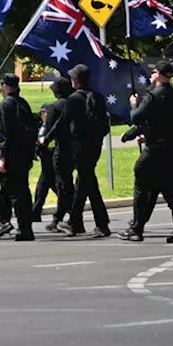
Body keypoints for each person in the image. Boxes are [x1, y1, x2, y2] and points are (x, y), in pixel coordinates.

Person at [119, 60, 173, 243]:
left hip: (155, 150)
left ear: (158, 74)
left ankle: (136, 229)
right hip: (172, 149)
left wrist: (133, 104)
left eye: (153, 72)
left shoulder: (152, 96)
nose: (151, 75)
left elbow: (137, 117)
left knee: (142, 187)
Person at [0, 74, 36, 241]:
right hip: (24, 154)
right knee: (21, 190)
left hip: (10, 153)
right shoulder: (22, 104)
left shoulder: (6, 105)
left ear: (6, 86)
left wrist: (2, 157)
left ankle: (3, 219)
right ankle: (25, 228)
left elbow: (4, 132)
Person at [67, 64, 112, 238]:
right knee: (83, 181)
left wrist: (45, 139)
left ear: (76, 81)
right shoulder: (98, 97)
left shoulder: (74, 99)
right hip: (94, 146)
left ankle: (102, 223)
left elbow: (63, 122)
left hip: (79, 146)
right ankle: (75, 221)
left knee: (89, 183)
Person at [41, 78, 78, 235]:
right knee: (66, 184)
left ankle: (73, 218)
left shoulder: (54, 107)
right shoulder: (74, 104)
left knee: (63, 185)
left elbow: (49, 128)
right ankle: (59, 218)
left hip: (61, 149)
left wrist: (42, 143)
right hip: (75, 148)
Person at [33, 103, 58, 225]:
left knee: (43, 186)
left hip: (50, 158)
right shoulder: (42, 126)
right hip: (45, 159)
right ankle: (36, 212)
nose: (43, 115)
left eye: (45, 113)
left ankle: (35, 212)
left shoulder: (50, 127)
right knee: (48, 186)